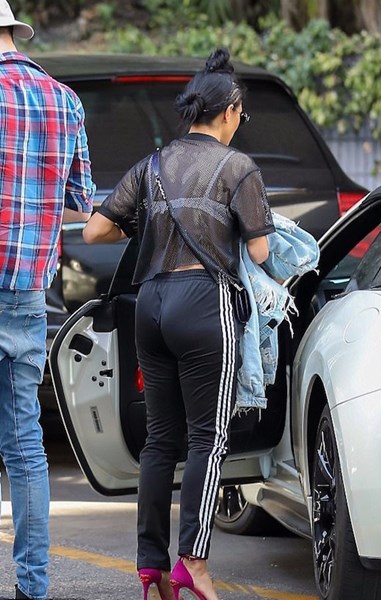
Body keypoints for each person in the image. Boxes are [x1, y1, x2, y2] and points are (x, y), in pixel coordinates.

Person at [83, 47, 274, 600]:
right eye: (241, 114)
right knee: (208, 439)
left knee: (159, 441)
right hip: (203, 304)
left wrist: (150, 225)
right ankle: (194, 560)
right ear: (229, 110)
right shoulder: (237, 167)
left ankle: (151, 566)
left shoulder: (151, 166)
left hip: (151, 305)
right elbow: (261, 252)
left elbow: (95, 231)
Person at [0, 3, 96, 599]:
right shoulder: (65, 100)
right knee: (26, 447)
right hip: (27, 292)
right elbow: (82, 203)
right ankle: (33, 588)